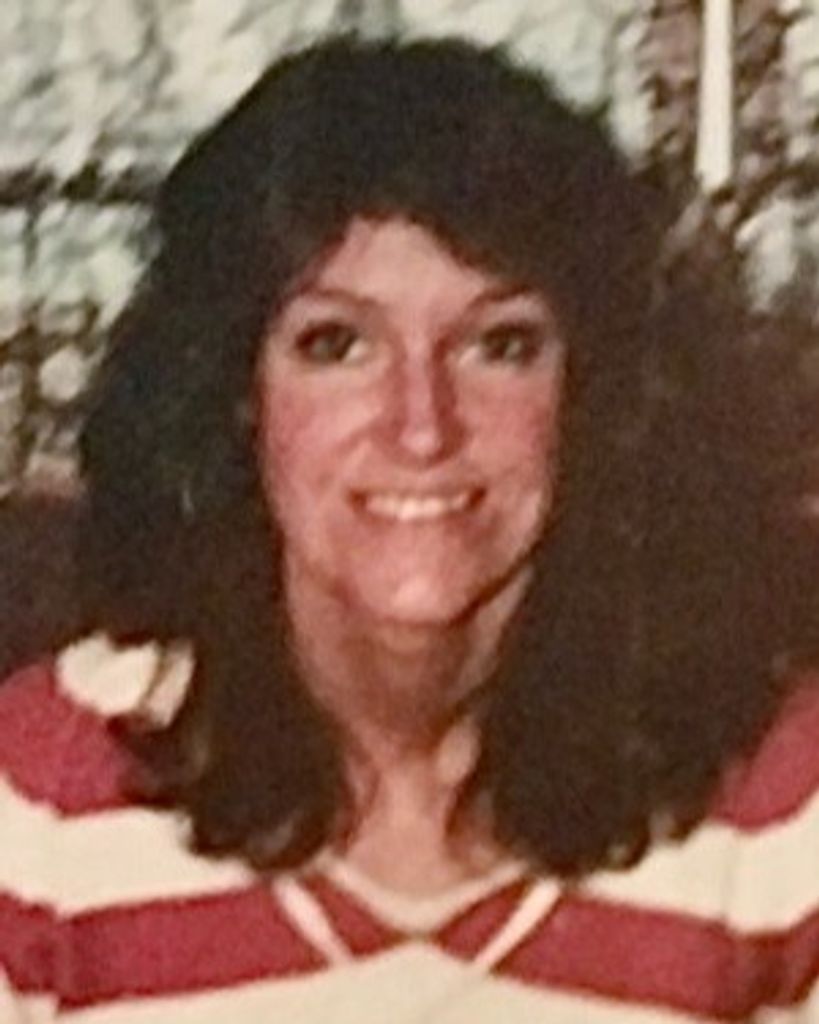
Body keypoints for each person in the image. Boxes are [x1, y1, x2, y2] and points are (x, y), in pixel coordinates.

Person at [1, 35, 818, 1023]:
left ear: (595, 395)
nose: (422, 427)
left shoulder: (784, 808)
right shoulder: (37, 802)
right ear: (233, 394)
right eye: (337, 344)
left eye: (498, 344)